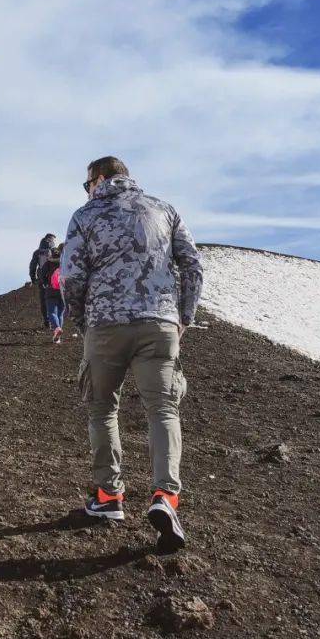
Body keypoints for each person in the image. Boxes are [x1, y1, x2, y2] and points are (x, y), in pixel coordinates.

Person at [61, 157, 203, 553]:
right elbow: (192, 265)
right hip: (158, 322)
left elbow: (71, 275)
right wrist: (184, 317)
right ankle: (165, 497)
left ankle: (109, 498)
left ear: (100, 179)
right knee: (163, 409)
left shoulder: (84, 216)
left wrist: (81, 321)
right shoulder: (163, 209)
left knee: (102, 408)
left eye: (86, 182)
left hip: (105, 324)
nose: (86, 190)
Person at [28, 234, 58, 327]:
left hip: (41, 279)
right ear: (52, 240)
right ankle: (56, 319)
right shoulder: (55, 251)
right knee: (55, 298)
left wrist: (33, 279)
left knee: (43, 299)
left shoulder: (37, 252)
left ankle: (46, 320)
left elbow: (32, 266)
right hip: (54, 279)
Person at [39, 244, 67, 343]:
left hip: (51, 290)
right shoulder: (66, 262)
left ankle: (57, 329)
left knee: (51, 312)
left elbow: (42, 276)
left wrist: (46, 284)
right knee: (60, 313)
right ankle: (57, 337)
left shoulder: (48, 263)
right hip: (63, 290)